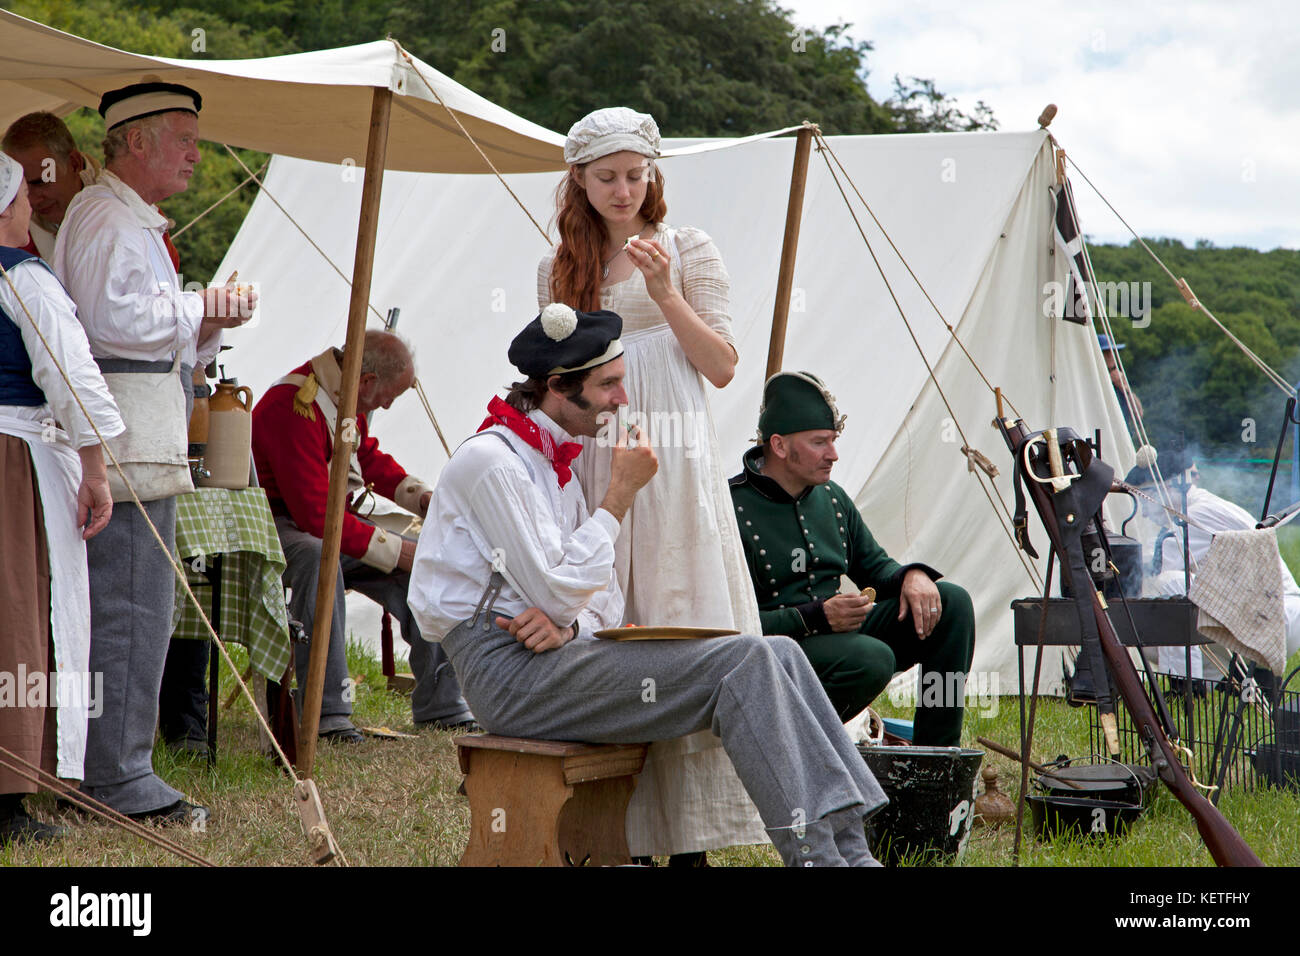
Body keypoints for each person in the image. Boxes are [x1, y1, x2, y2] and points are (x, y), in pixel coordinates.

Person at [408, 303, 887, 867]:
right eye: (609, 384)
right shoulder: (492, 463)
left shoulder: (548, 463)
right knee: (745, 664)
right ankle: (817, 858)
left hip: (554, 655)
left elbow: (597, 598)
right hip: (509, 677)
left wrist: (568, 623)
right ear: (560, 387)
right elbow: (562, 588)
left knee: (777, 651)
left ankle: (852, 851)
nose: (622, 399)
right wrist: (618, 498)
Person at [537, 106, 766, 862]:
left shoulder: (688, 247)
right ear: (579, 179)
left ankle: (691, 840)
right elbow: (552, 384)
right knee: (618, 617)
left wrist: (666, 293)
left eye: (636, 175)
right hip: (602, 452)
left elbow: (725, 366)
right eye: (607, 177)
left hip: (676, 458)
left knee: (682, 613)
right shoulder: (558, 269)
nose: (624, 189)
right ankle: (624, 834)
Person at [51, 81, 255, 822]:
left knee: (137, 605)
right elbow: (111, 324)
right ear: (136, 141)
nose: (197, 154)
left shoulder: (124, 218)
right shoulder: (106, 218)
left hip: (139, 436)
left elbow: (152, 333)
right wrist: (200, 305)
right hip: (127, 441)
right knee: (130, 608)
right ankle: (117, 777)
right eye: (184, 137)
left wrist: (204, 320)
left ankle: (109, 766)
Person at [728, 371, 977, 745]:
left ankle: (935, 760)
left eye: (833, 441)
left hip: (841, 636)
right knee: (870, 658)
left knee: (951, 603)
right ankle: (787, 746)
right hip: (778, 650)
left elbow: (876, 569)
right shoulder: (730, 508)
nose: (834, 454)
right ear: (778, 446)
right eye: (819, 443)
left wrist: (912, 576)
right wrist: (816, 616)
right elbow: (730, 626)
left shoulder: (832, 498)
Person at [251, 330, 473, 740]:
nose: (387, 404)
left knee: (428, 557)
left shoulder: (345, 395)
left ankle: (442, 702)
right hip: (280, 528)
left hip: (328, 522)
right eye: (390, 395)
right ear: (368, 381)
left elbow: (363, 455)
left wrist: (421, 497)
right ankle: (328, 712)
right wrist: (401, 553)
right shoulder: (292, 405)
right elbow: (315, 516)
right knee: (322, 559)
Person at [0, 153, 124, 844]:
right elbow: (71, 376)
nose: (28, 211)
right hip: (12, 461)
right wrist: (95, 468)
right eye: (21, 198)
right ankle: (7, 803)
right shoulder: (23, 280)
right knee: (16, 615)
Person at [1126, 445, 1300, 676]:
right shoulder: (1200, 506)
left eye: (1145, 501)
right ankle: (1235, 682)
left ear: (1166, 489)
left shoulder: (1196, 514)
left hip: (1273, 615)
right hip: (1265, 610)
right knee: (1153, 639)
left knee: (1169, 587)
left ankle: (1186, 684)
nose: (1144, 513)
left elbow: (1156, 571)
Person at [2, 112, 107, 260]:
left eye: (41, 182)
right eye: (22, 191)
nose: (33, 201)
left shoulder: (122, 204)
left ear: (74, 163)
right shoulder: (12, 232)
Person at [1099, 333, 1143, 423]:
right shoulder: (1095, 380)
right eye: (1106, 352)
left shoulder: (1119, 380)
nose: (1111, 356)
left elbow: (1138, 414)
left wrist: (1124, 388)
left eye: (1112, 352)